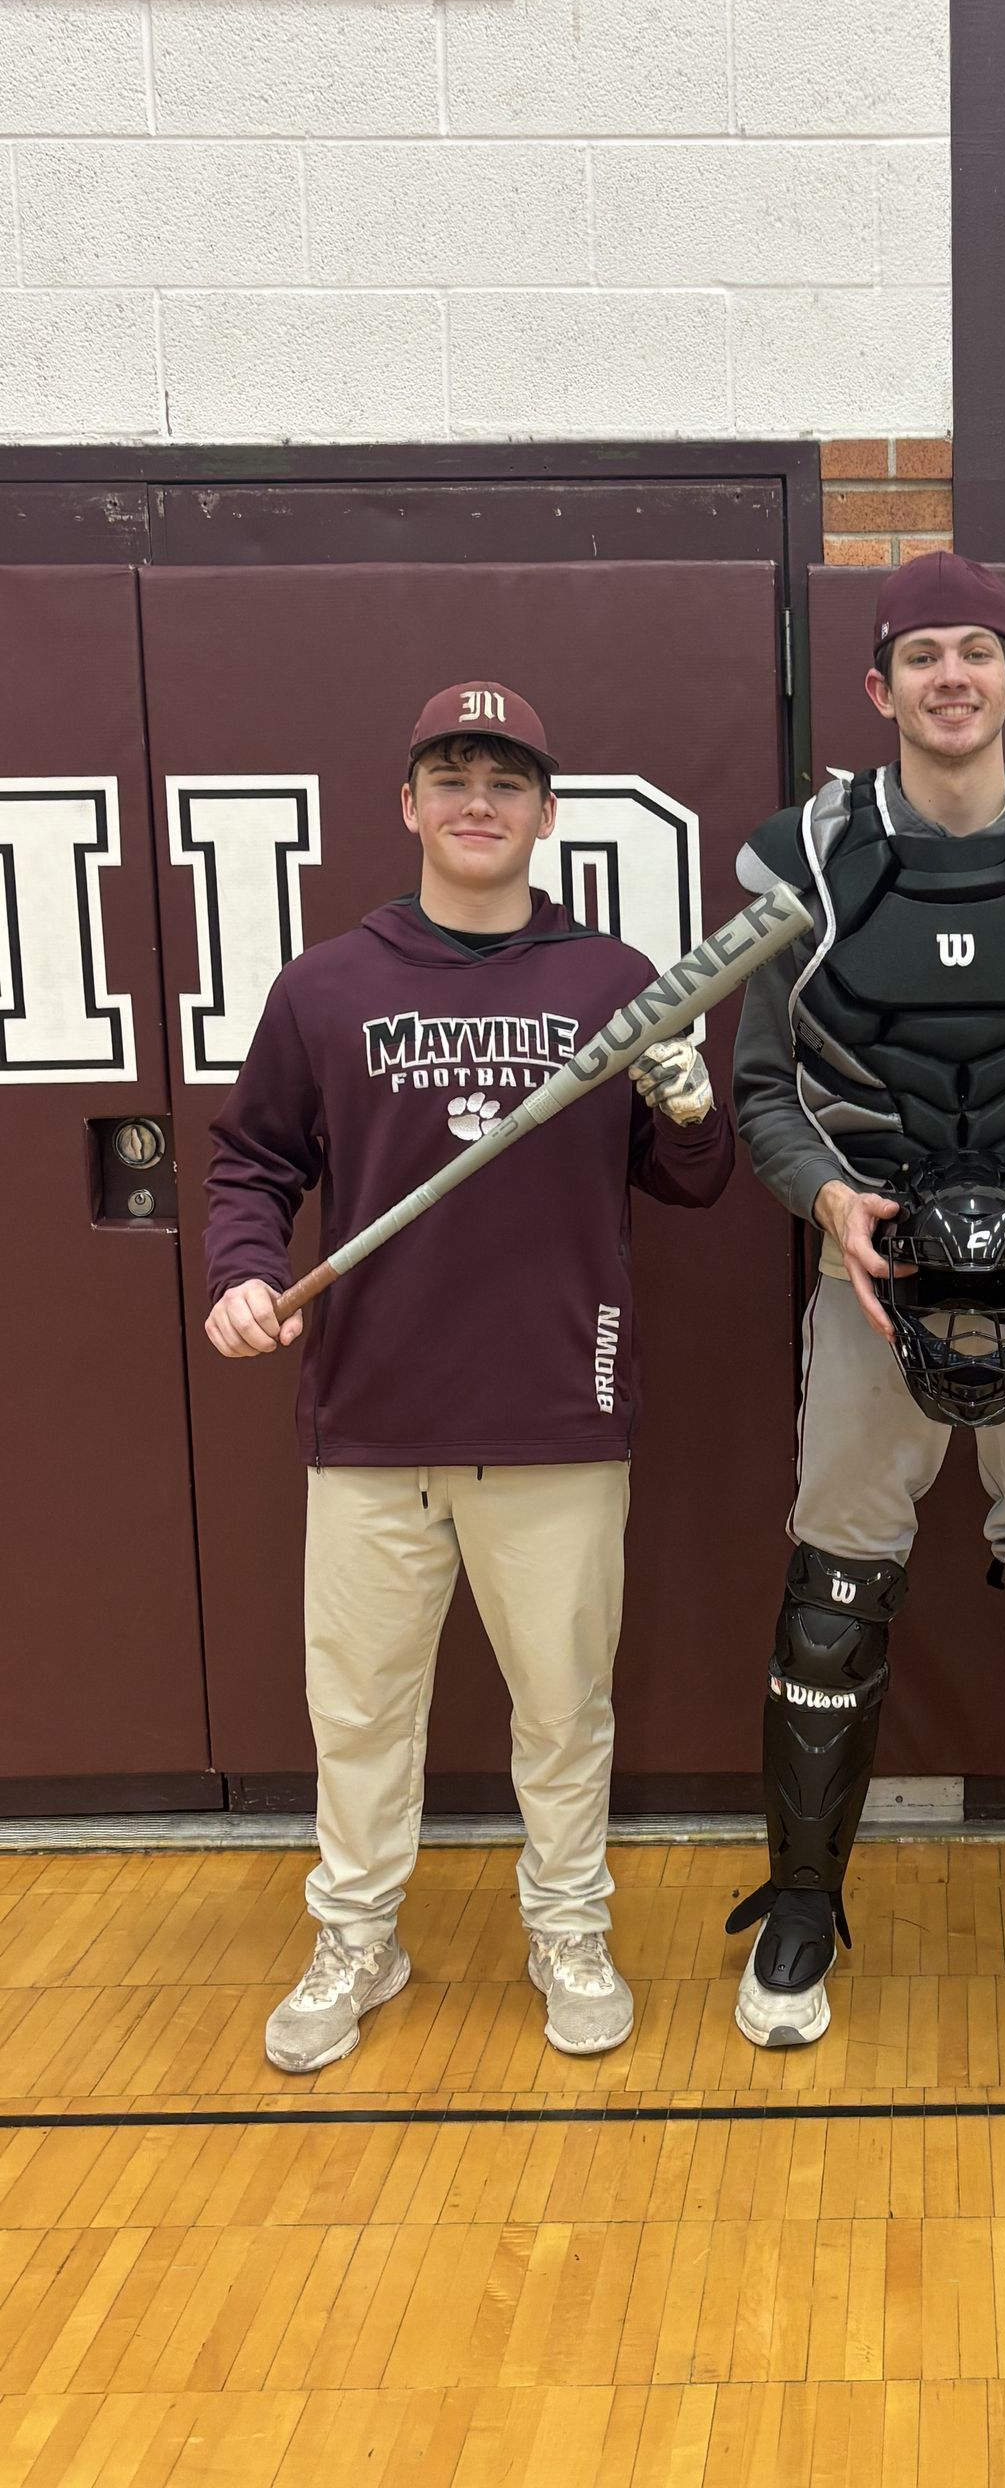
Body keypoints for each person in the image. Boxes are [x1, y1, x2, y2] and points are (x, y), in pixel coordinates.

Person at [204, 681, 734, 2073]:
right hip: (372, 1423)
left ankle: (567, 1927)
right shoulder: (328, 986)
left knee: (563, 1710)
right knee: (360, 1712)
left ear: (545, 813)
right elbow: (252, 1162)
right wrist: (242, 1275)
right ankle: (360, 1939)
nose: (476, 802)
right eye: (451, 776)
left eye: (504, 780)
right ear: (410, 806)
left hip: (558, 1412)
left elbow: (693, 1183)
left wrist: (685, 1095)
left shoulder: (614, 984)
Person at [725, 549, 1005, 2049]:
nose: (949, 678)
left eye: (975, 653)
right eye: (920, 656)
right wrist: (830, 1205)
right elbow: (761, 1089)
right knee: (837, 1584)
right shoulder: (806, 856)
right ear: (877, 688)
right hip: (875, 1280)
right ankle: (802, 1903)